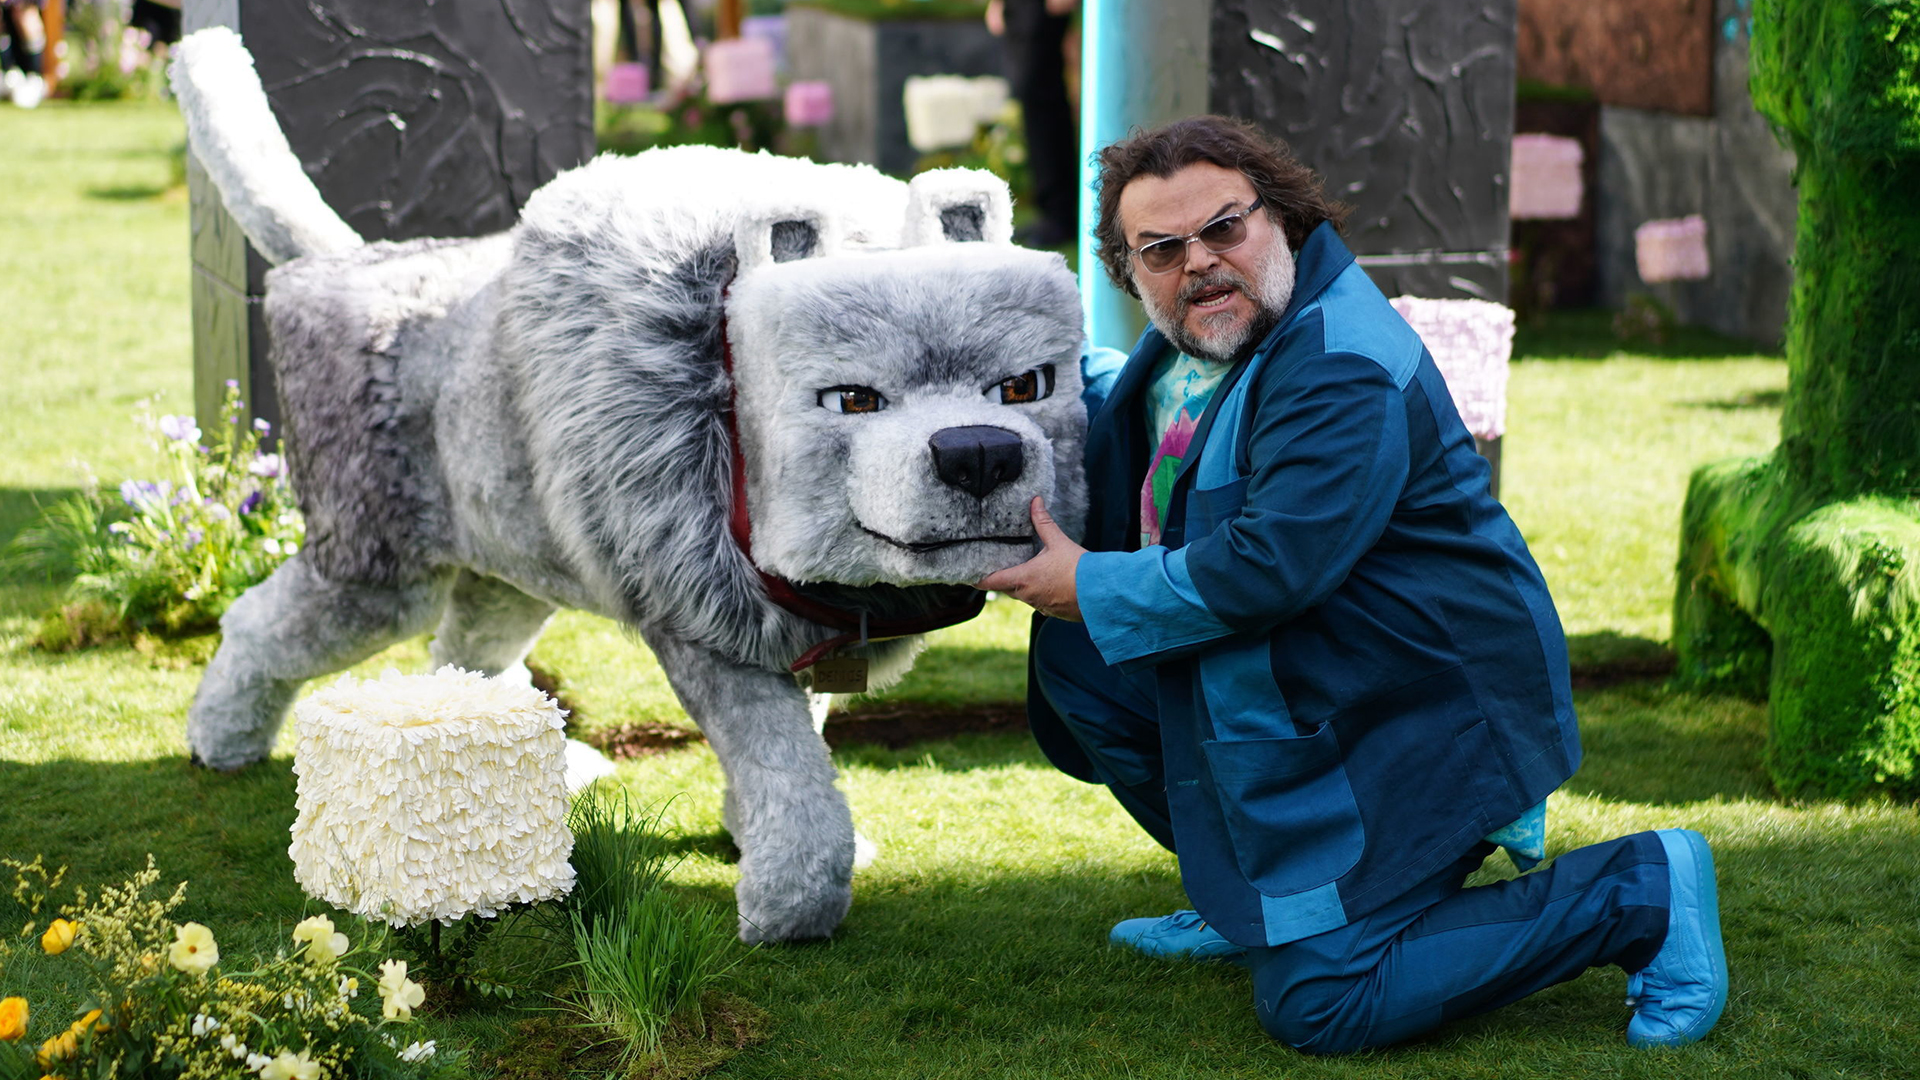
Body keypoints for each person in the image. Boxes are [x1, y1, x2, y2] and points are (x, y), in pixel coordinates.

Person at [978, 115, 1729, 1054]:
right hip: (1315, 670)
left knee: (1322, 1004)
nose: (1201, 262)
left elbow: (1268, 567)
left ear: (1282, 217)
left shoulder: (1339, 363)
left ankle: (1638, 890)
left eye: (1223, 228)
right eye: (1161, 249)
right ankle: (1252, 894)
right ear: (1128, 272)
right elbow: (1122, 405)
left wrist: (1089, 583)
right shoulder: (1203, 340)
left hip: (1417, 706)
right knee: (1084, 667)